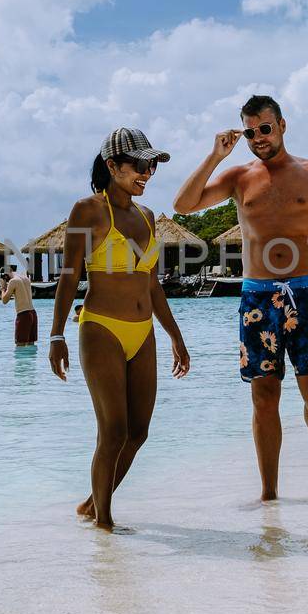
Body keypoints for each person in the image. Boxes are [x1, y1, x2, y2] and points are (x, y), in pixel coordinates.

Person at [173, 94, 308, 500]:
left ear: (282, 125)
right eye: (250, 131)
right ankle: (269, 493)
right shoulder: (239, 177)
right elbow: (183, 205)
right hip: (257, 297)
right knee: (263, 397)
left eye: (265, 128)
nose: (258, 137)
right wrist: (215, 156)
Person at [49, 126, 190, 531]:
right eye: (139, 165)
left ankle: (94, 503)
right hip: (101, 330)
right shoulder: (87, 211)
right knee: (112, 431)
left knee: (138, 432)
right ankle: (105, 525)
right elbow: (69, 276)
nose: (146, 172)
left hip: (142, 331)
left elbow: (151, 282)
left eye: (151, 166)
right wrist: (56, 335)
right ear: (112, 165)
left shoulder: (146, 217)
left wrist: (175, 336)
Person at [0, 264, 38, 346]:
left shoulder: (13, 281)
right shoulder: (25, 278)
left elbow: (4, 300)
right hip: (33, 314)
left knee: (20, 346)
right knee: (31, 346)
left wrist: (3, 288)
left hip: (23, 314)